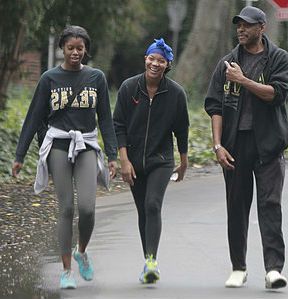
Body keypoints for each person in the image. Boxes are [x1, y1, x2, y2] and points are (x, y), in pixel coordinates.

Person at [12, 25, 118, 289]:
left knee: (88, 208)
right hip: (58, 144)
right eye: (70, 48)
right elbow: (34, 117)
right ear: (62, 49)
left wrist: (113, 155)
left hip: (87, 145)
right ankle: (67, 270)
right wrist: (19, 155)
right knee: (67, 208)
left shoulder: (96, 78)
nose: (75, 53)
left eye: (79, 48)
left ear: (85, 50)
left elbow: (105, 118)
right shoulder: (49, 79)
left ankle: (81, 251)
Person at [204, 6, 288, 289]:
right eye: (238, 25)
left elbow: (277, 94)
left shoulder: (277, 58)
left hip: (268, 144)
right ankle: (238, 267)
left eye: (247, 25)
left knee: (270, 205)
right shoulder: (227, 63)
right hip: (235, 145)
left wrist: (243, 80)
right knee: (237, 206)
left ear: (262, 27)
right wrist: (218, 145)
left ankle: (274, 270)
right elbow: (215, 106)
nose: (241, 29)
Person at [113, 38, 189, 284]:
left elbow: (182, 129)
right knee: (142, 211)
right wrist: (124, 160)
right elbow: (118, 125)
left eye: (161, 61)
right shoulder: (129, 87)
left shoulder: (176, 93)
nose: (155, 64)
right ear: (145, 59)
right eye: (151, 58)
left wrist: (184, 160)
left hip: (161, 160)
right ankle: (148, 260)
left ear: (167, 65)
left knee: (153, 205)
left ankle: (151, 262)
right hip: (133, 161)